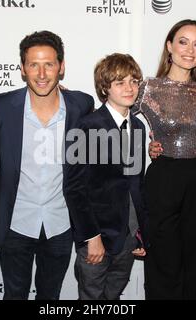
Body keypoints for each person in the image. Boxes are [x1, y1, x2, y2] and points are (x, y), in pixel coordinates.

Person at [0, 31, 94, 300]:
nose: (42, 73)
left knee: (50, 298)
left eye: (49, 64)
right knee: (14, 295)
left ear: (62, 66)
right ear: (23, 69)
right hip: (16, 224)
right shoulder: (1, 107)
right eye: (33, 64)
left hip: (60, 224)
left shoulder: (81, 105)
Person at [132, 19, 196, 299]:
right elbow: (114, 116)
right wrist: (148, 146)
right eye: (183, 41)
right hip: (163, 180)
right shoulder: (148, 88)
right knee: (163, 263)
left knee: (194, 262)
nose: (190, 50)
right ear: (169, 46)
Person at [65, 53, 148, 300]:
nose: (129, 88)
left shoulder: (139, 127)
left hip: (129, 236)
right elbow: (74, 188)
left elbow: (136, 183)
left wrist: (142, 232)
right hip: (97, 236)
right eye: (120, 82)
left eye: (134, 81)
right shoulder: (86, 127)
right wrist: (92, 238)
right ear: (105, 87)